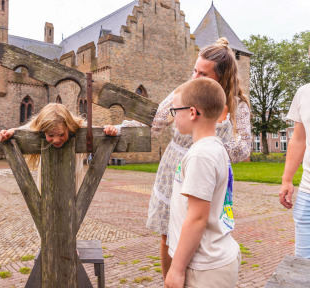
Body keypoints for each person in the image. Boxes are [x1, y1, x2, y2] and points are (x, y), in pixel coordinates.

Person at [117, 37, 251, 278]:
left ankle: (203, 274)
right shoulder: (185, 92)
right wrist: (119, 129)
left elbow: (244, 148)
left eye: (203, 74)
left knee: (204, 226)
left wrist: (210, 146)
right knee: (170, 233)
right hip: (174, 168)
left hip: (206, 170)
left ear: (222, 77)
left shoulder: (237, 105)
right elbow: (155, 122)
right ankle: (171, 279)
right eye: (194, 70)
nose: (195, 78)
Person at [165, 78, 241, 288]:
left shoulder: (202, 155)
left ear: (192, 112)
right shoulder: (212, 148)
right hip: (211, 260)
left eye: (175, 111)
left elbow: (198, 217)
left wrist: (176, 269)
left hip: (205, 268)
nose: (174, 118)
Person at [0, 103, 118, 193]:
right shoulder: (39, 125)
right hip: (47, 180)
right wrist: (7, 134)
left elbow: (98, 130)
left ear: (68, 127)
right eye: (50, 135)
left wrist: (109, 129)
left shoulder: (77, 125)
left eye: (61, 134)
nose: (56, 140)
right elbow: (21, 130)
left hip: (72, 179)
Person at [279, 83, 310, 258]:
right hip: (307, 194)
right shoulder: (304, 93)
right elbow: (299, 138)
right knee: (303, 267)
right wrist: (287, 180)